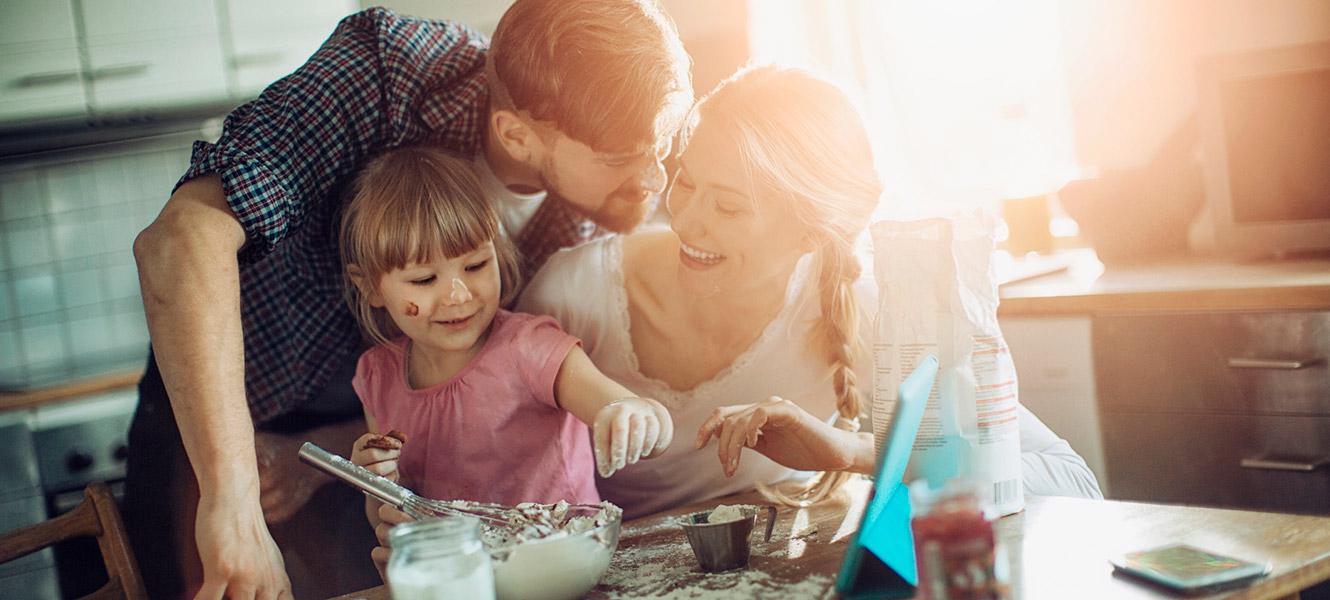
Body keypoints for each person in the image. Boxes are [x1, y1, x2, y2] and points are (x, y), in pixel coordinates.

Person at [126, 1, 691, 597]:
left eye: (662, 144)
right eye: (624, 158)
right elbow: (180, 240)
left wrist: (325, 458)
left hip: (377, 451)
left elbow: (461, 401)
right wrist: (231, 499)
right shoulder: (389, 73)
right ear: (516, 135)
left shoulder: (592, 225)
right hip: (221, 418)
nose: (655, 179)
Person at [517, 65, 1104, 520]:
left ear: (809, 232)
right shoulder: (576, 294)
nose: (687, 223)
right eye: (686, 182)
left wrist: (849, 453)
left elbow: (1068, 476)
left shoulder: (866, 307)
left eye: (727, 206)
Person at [338, 147, 672, 579]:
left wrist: (632, 414)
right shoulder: (377, 376)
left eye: (476, 264)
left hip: (564, 569)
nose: (459, 294)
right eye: (424, 279)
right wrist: (377, 480)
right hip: (467, 576)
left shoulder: (529, 347)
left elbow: (625, 407)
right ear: (371, 287)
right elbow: (391, 512)